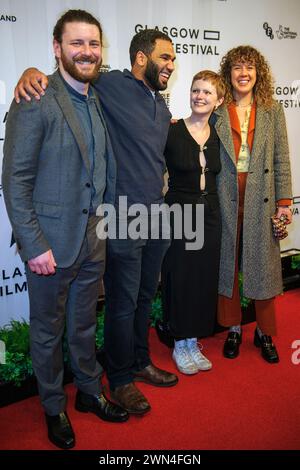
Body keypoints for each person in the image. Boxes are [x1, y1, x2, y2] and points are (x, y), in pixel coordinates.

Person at [14, 29, 178, 415]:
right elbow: (72, 73)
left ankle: (139, 362)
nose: (171, 64)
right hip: (119, 218)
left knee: (141, 298)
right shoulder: (112, 84)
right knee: (121, 303)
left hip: (154, 216)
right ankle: (119, 378)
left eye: (174, 59)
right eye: (165, 57)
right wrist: (30, 72)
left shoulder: (163, 105)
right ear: (141, 58)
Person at [2, 10, 129, 450]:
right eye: (76, 43)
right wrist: (34, 244)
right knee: (47, 329)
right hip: (50, 245)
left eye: (93, 44)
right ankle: (53, 406)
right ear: (57, 48)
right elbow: (14, 180)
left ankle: (90, 393)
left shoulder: (97, 97)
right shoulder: (35, 96)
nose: (86, 52)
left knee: (80, 324)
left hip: (94, 235)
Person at [213, 45, 293, 363]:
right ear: (228, 74)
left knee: (265, 268)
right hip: (226, 199)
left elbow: (282, 159)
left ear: (257, 73)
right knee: (228, 267)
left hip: (262, 200)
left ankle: (264, 332)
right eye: (236, 67)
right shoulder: (218, 107)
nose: (243, 73)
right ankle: (234, 328)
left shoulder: (272, 109)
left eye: (249, 67)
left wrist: (284, 203)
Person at [161, 70, 225, 375]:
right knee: (181, 278)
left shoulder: (219, 136)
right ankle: (179, 343)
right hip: (180, 213)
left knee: (203, 279)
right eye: (196, 90)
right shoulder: (171, 131)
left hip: (210, 215)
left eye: (207, 92)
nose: (199, 96)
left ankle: (193, 340)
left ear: (219, 100)